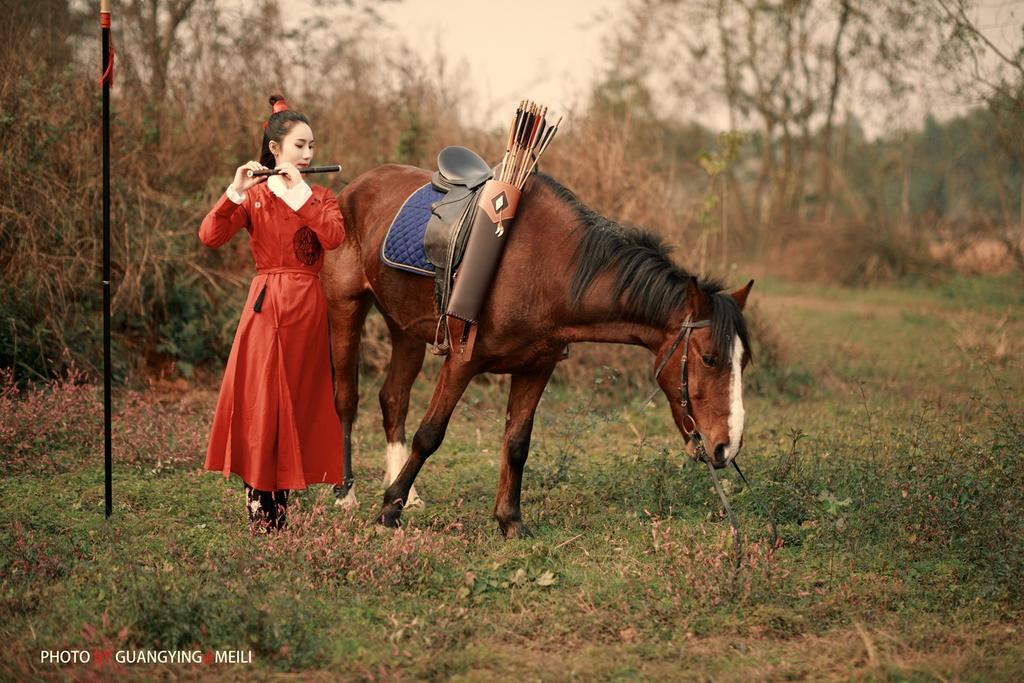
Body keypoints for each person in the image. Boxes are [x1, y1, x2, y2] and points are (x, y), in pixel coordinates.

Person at [199, 94, 345, 533]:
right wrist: (235, 191)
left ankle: (283, 498)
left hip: (306, 308)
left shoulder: (320, 196)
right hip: (265, 308)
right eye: (299, 145)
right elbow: (209, 236)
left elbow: (334, 238)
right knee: (264, 400)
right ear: (275, 150)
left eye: (311, 146)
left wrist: (300, 192)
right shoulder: (254, 197)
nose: (307, 154)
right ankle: (262, 508)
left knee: (297, 401)